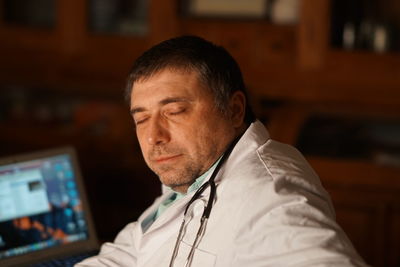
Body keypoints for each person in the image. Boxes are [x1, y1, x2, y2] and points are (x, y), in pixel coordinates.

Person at [76, 35, 368, 266]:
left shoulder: (272, 196)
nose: (153, 136)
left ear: (234, 109)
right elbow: (130, 252)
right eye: (141, 119)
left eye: (175, 111)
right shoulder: (194, 176)